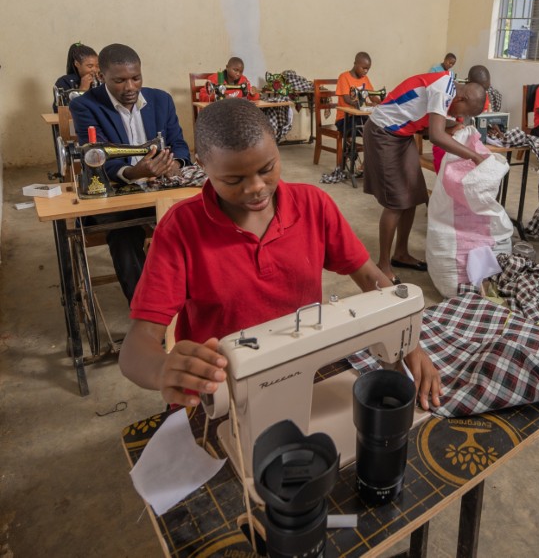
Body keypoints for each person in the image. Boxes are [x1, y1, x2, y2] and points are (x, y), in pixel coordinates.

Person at [118, 99, 441, 410]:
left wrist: (408, 341)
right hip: (222, 390)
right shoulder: (181, 229)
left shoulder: (312, 206)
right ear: (203, 165)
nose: (256, 187)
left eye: (267, 168)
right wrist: (163, 370)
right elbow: (136, 348)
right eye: (234, 180)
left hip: (300, 368)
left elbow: (370, 277)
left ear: (276, 147)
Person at [70, 43, 191, 305]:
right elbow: (97, 157)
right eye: (120, 81)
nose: (130, 88)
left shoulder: (161, 100)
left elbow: (179, 144)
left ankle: (191, 303)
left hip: (161, 186)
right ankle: (147, 313)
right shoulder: (85, 106)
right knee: (123, 234)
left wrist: (176, 164)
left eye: (136, 78)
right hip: (117, 189)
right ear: (102, 77)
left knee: (194, 222)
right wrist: (133, 172)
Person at [363, 72, 488, 284]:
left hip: (402, 136)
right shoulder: (442, 90)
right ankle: (383, 265)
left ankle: (401, 253)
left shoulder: (449, 88)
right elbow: (437, 136)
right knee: (395, 202)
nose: (458, 116)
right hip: (383, 133)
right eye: (462, 112)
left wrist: (453, 127)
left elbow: (432, 122)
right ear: (461, 99)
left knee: (413, 195)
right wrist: (474, 156)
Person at [335, 51, 381, 134]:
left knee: (376, 125)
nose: (366, 71)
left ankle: (369, 146)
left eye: (368, 69)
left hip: (360, 116)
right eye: (363, 68)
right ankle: (358, 145)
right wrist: (360, 104)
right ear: (355, 64)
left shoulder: (365, 78)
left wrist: (383, 103)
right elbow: (347, 99)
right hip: (344, 119)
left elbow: (372, 96)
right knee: (366, 127)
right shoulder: (344, 77)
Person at [53, 43, 99, 110]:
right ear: (77, 64)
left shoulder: (101, 80)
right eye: (90, 66)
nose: (95, 70)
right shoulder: (64, 82)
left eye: (97, 66)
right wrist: (82, 89)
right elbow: (58, 110)